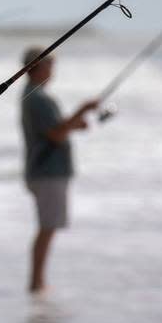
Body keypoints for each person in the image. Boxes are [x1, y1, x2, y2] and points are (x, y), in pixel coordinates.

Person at [20, 47, 100, 295]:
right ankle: (36, 283)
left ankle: (38, 281)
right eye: (49, 65)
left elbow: (55, 129)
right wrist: (82, 110)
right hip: (47, 171)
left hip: (43, 170)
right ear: (36, 68)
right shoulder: (37, 98)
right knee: (47, 227)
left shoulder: (33, 96)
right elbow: (55, 134)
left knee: (48, 226)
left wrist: (74, 124)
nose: (52, 70)